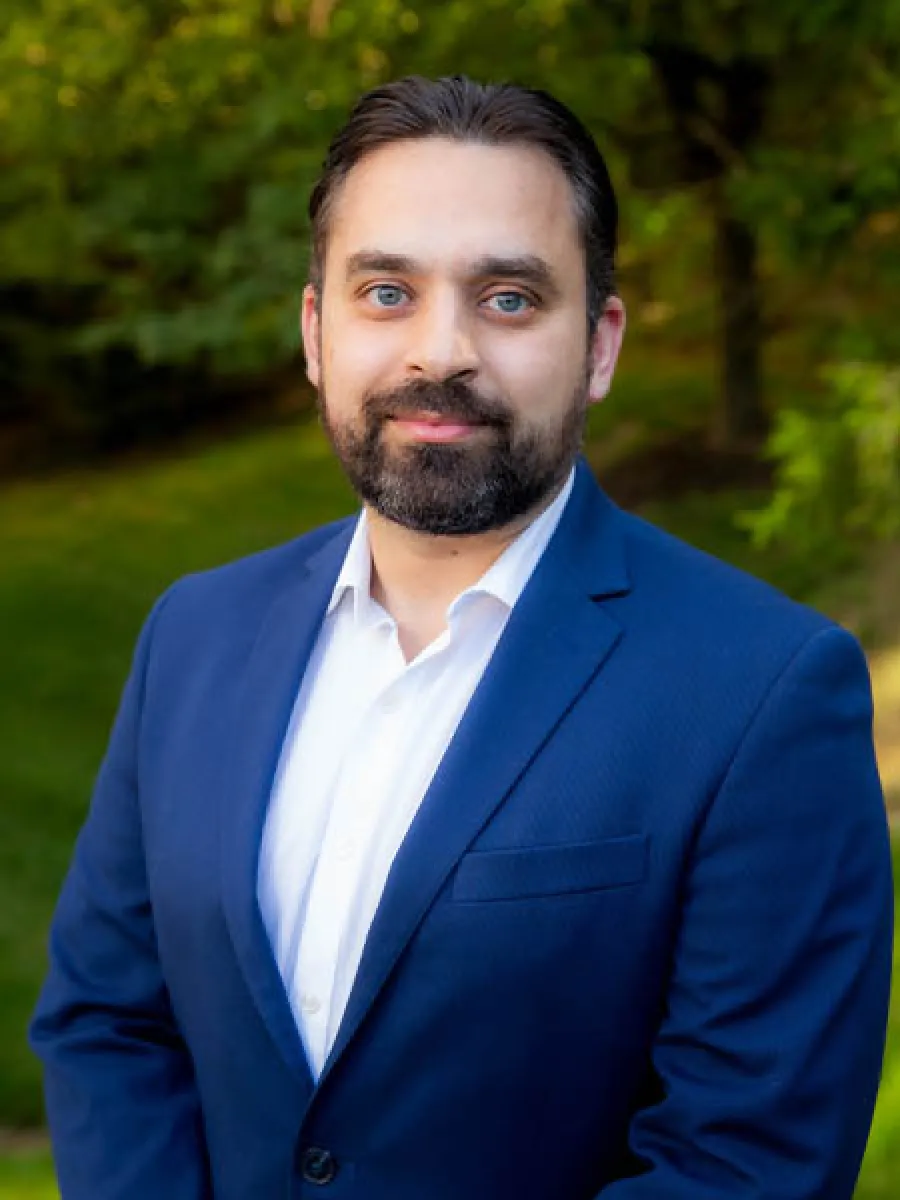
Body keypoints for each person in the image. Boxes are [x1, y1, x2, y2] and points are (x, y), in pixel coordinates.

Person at [31, 75, 892, 1200]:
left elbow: (747, 1162)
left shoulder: (765, 692)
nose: (441, 352)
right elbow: (109, 1024)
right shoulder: (193, 634)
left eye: (510, 298)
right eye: (387, 292)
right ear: (315, 331)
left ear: (600, 346)